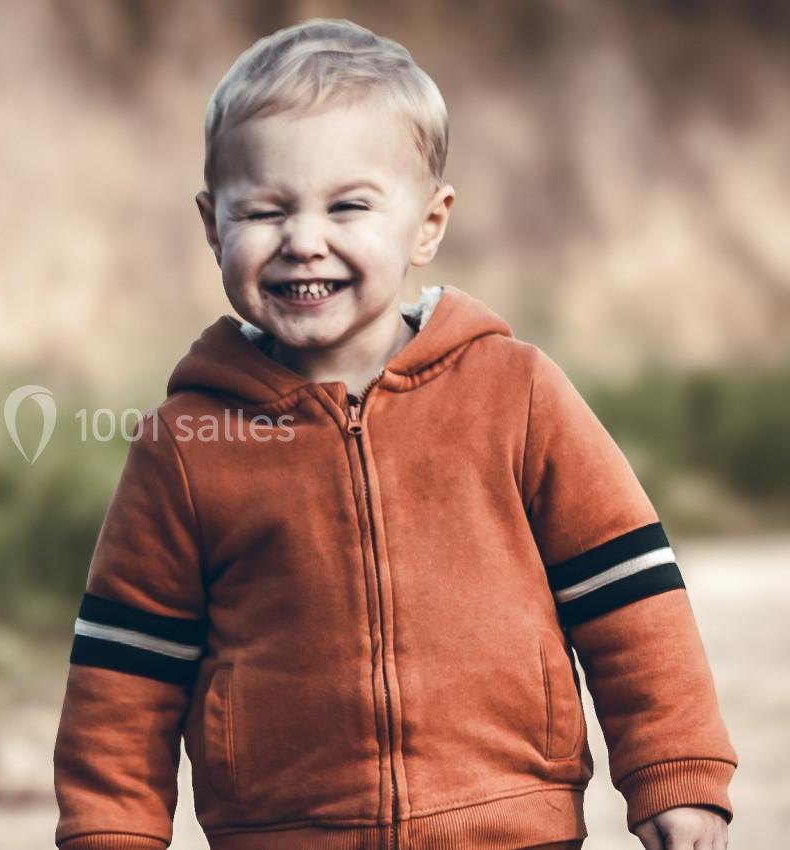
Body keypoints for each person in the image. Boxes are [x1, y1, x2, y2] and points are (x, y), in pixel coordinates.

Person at [52, 18, 736, 850]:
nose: (304, 240)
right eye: (264, 210)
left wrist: (674, 768)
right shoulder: (187, 444)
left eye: (348, 206)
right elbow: (128, 670)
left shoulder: (514, 395)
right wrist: (109, 832)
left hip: (511, 826)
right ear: (212, 226)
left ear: (428, 223)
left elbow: (627, 595)